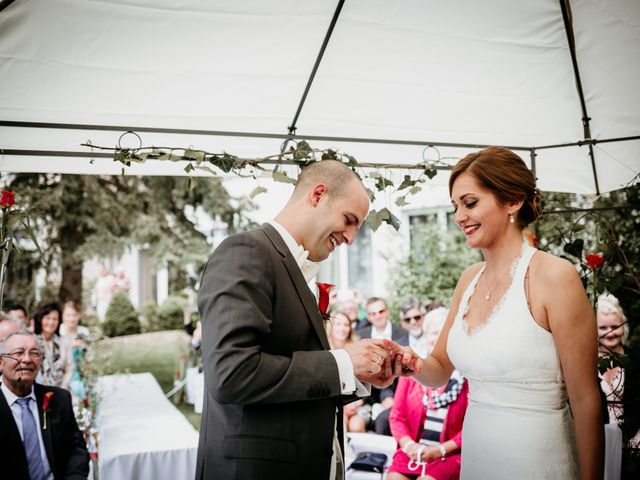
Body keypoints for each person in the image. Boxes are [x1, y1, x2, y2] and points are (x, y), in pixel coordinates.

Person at [196, 160, 417, 480]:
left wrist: (359, 373)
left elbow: (294, 378)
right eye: (349, 220)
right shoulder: (246, 251)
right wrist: (342, 362)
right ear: (318, 195)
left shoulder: (294, 267)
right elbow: (231, 373)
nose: (351, 239)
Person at [411, 147, 603, 479]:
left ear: (512, 201)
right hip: (479, 460)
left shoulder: (554, 276)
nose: (459, 216)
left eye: (470, 203)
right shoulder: (468, 279)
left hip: (539, 460)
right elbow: (440, 369)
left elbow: (585, 398)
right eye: (455, 206)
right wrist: (407, 362)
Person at [387, 308, 468, 480]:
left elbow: (472, 427)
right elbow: (397, 417)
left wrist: (442, 449)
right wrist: (409, 446)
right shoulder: (412, 372)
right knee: (394, 477)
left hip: (450, 454)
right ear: (425, 337)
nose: (438, 339)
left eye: (444, 333)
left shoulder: (467, 378)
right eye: (434, 333)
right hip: (414, 451)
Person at [0, 329, 90, 479]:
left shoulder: (59, 399)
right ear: (1, 363)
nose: (27, 359)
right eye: (19, 353)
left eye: (34, 353)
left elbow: (76, 450)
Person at [328, 311, 367, 433]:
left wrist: (356, 403)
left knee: (356, 425)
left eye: (346, 325)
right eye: (338, 324)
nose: (342, 328)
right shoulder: (324, 350)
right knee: (340, 422)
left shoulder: (358, 349)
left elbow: (365, 380)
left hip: (357, 403)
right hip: (333, 404)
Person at [34, 303, 73, 389]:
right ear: (40, 319)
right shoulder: (33, 341)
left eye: (55, 319)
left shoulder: (64, 342)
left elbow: (69, 369)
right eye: (48, 318)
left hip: (59, 390)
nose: (51, 322)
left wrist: (62, 388)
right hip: (36, 391)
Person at [59, 301, 91, 402]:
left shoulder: (83, 332)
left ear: (79, 316)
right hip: (65, 375)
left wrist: (86, 348)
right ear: (63, 316)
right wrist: (70, 347)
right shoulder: (60, 331)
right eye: (68, 315)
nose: (71, 319)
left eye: (74, 315)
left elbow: (90, 358)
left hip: (82, 373)